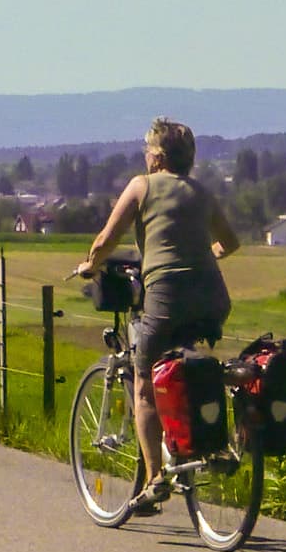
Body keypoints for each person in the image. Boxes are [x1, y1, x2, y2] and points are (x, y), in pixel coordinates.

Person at [78, 117, 239, 515]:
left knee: (145, 383)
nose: (145, 156)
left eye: (147, 150)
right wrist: (202, 256)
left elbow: (107, 239)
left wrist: (89, 265)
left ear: (158, 157)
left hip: (167, 295)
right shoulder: (202, 192)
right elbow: (230, 242)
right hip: (213, 295)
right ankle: (208, 443)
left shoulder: (142, 185)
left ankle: (155, 479)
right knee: (188, 366)